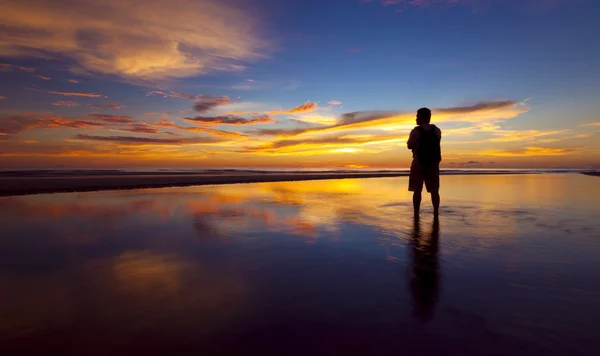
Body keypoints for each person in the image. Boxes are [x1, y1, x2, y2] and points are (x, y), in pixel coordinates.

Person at [407, 108, 442, 218]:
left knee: (417, 190)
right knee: (434, 190)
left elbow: (409, 145)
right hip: (433, 164)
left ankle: (416, 213)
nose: (416, 118)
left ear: (422, 117)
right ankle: (436, 212)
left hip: (419, 163)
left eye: (417, 116)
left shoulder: (416, 131)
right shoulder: (437, 130)